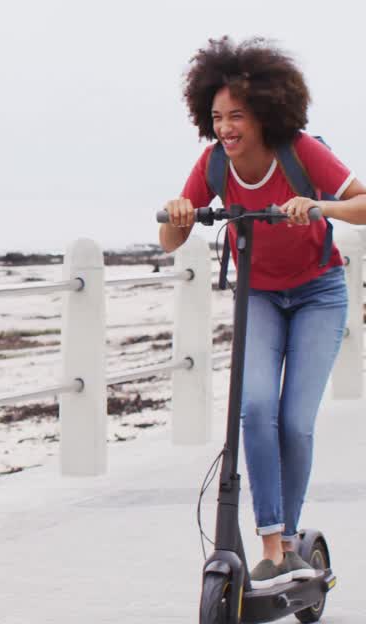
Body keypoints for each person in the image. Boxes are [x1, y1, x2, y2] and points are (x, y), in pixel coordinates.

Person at [160, 36, 366, 589]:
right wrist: (180, 211)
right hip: (260, 294)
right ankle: (272, 545)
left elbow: (364, 202)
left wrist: (318, 204)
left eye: (238, 116)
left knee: (295, 420)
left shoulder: (299, 151)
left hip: (320, 293)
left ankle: (291, 536)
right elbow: (167, 241)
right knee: (254, 407)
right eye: (217, 116)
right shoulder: (212, 164)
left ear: (265, 113)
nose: (225, 127)